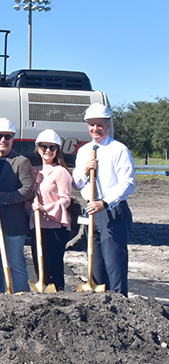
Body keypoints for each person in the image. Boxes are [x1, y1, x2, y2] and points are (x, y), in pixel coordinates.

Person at [72, 103, 134, 295]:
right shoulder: (84, 151)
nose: (95, 129)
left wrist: (105, 202)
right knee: (94, 264)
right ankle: (101, 310)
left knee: (114, 264)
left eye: (100, 124)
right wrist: (85, 170)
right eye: (91, 125)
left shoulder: (119, 150)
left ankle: (119, 304)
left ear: (108, 125)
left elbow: (128, 183)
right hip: (91, 211)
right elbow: (77, 184)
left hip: (112, 211)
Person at [0, 118, 33, 293]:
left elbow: (28, 190)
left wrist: (2, 196)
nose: (3, 140)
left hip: (13, 224)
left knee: (16, 264)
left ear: (12, 139)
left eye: (7, 136)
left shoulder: (21, 161)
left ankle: (21, 298)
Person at [32, 129, 73, 290]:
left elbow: (65, 200)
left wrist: (44, 208)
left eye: (52, 147)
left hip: (55, 227)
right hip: (37, 225)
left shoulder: (61, 172)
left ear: (57, 150)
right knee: (39, 266)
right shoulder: (36, 171)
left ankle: (58, 297)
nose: (47, 151)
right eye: (44, 147)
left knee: (54, 267)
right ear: (38, 148)